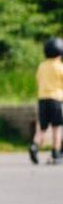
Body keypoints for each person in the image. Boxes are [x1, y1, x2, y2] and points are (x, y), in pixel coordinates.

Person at [30, 37, 63, 165]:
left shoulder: (42, 66)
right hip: (57, 100)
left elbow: (38, 80)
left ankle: (34, 146)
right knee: (56, 128)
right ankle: (55, 153)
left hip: (43, 99)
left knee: (42, 127)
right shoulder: (60, 67)